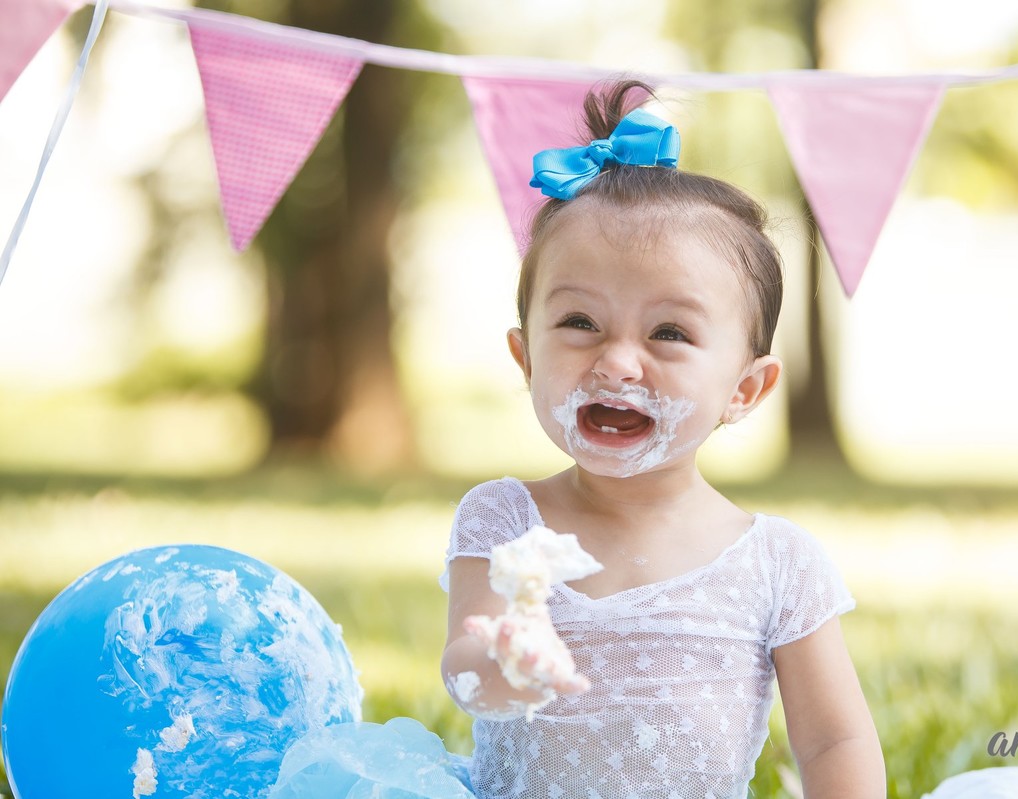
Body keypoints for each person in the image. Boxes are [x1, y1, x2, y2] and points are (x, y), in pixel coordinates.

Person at [269, 79, 884, 799]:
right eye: (579, 322)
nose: (617, 362)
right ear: (525, 356)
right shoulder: (502, 521)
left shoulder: (779, 564)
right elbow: (466, 669)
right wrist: (503, 663)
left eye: (670, 333)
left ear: (744, 389)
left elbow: (835, 737)